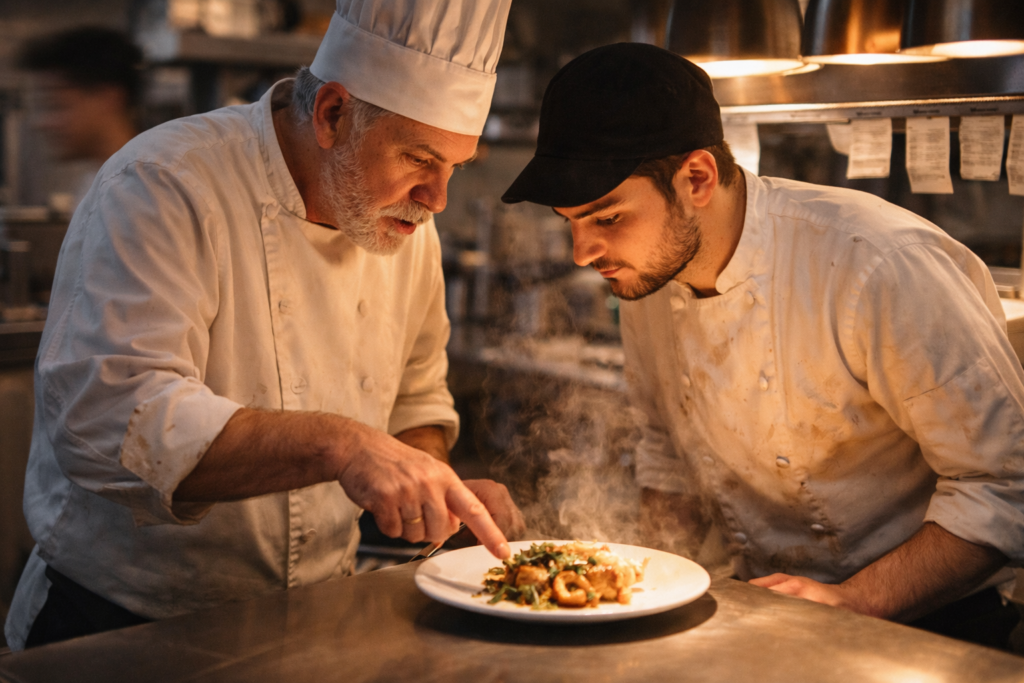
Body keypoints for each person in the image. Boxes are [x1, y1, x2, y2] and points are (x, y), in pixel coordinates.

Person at [5, 0, 523, 651]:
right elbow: (112, 415)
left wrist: (431, 483)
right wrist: (341, 444)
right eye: (421, 157)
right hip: (121, 624)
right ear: (333, 113)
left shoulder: (407, 227)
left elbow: (415, 392)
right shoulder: (166, 184)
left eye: (455, 168)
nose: (438, 198)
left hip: (310, 618)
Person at [501, 43, 1024, 649]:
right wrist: (638, 586)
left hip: (931, 627)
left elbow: (1004, 481)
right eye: (571, 222)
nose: (581, 254)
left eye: (607, 218)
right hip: (766, 614)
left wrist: (855, 601)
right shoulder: (650, 275)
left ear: (696, 178)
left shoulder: (876, 263)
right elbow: (666, 453)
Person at [18, 27, 143, 209]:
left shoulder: (136, 192)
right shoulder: (98, 183)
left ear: (107, 98)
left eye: (55, 105)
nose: (40, 123)